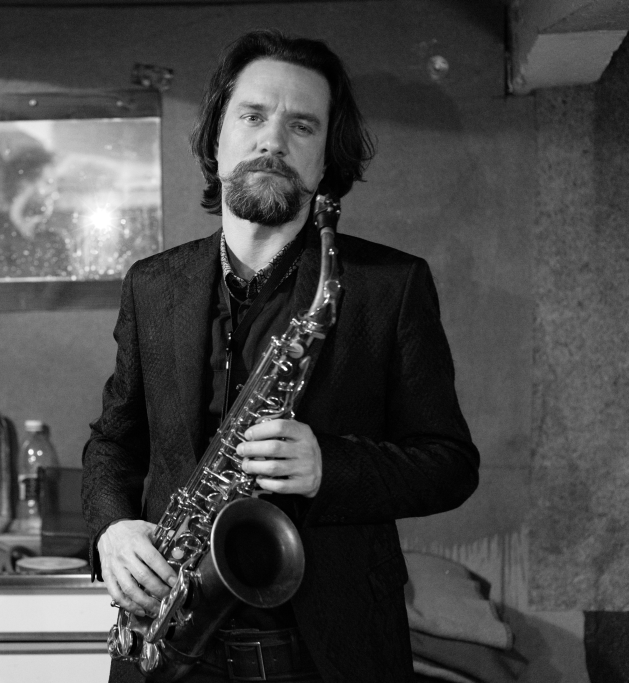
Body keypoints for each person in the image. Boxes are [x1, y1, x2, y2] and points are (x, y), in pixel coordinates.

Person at [81, 29, 479, 683]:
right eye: (252, 116)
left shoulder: (389, 286)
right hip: (170, 646)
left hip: (327, 658)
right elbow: (113, 442)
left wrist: (330, 466)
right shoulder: (152, 284)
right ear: (216, 139)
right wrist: (112, 529)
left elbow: (450, 464)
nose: (272, 140)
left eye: (301, 125)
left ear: (325, 161)